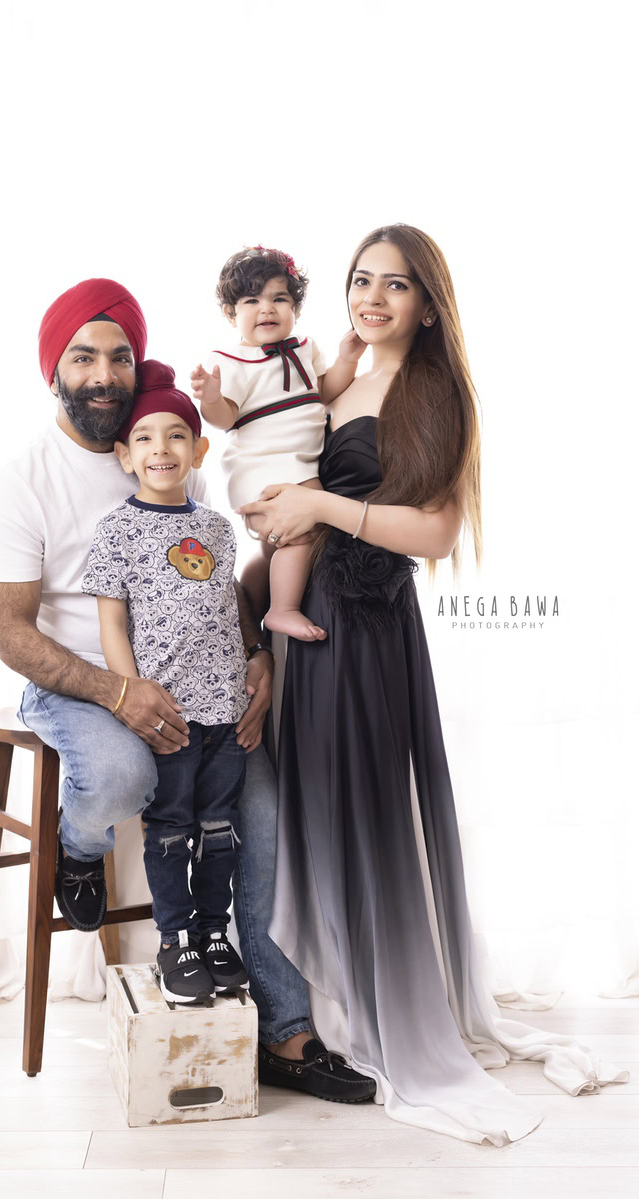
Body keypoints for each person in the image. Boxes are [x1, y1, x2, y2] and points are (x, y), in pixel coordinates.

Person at [240, 225, 629, 1144]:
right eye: (362, 280)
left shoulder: (434, 390)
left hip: (364, 626)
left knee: (364, 806)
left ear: (427, 301)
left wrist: (317, 506)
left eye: (396, 285)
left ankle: (381, 1007)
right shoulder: (334, 377)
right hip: (306, 614)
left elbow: (437, 532)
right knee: (315, 804)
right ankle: (327, 1004)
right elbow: (277, 464)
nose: (373, 298)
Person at [0, 276, 377, 1102]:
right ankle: (79, 850)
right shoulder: (23, 480)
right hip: (73, 686)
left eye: (118, 356)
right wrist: (118, 694)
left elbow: (208, 576)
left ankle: (284, 1029)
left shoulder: (166, 454)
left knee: (259, 801)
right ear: (54, 368)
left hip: (199, 688)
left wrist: (252, 658)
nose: (103, 374)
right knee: (127, 774)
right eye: (82, 357)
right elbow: (12, 632)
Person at [82, 362, 250, 1004]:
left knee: (219, 830)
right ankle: (175, 939)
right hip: (169, 719)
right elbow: (112, 627)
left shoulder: (216, 528)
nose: (161, 449)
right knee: (172, 830)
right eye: (146, 437)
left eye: (177, 435)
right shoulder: (117, 532)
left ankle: (213, 933)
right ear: (125, 455)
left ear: (198, 449)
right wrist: (133, 704)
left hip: (226, 715)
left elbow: (228, 609)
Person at [190, 246, 359, 642]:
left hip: (301, 465)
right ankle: (282, 610)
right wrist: (211, 397)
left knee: (276, 550)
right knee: (308, 530)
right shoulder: (230, 361)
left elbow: (326, 390)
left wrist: (347, 360)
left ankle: (247, 601)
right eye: (252, 300)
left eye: (278, 298)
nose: (266, 308)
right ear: (232, 314)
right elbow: (225, 418)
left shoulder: (304, 349)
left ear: (295, 310)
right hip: (262, 469)